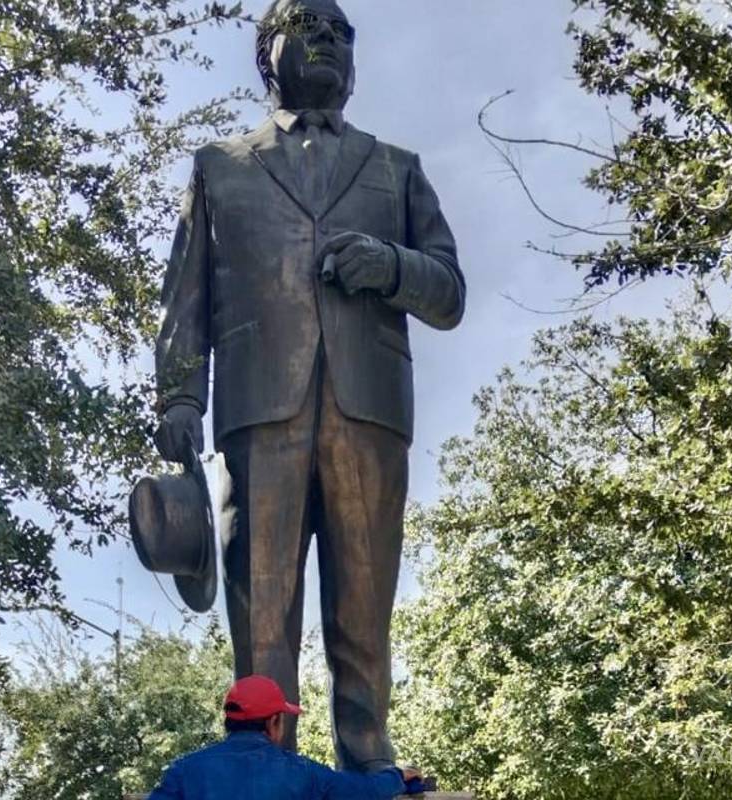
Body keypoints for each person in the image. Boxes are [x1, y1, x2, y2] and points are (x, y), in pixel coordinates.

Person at [151, 0, 465, 772]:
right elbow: (185, 295)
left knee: (364, 601)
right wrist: (179, 396)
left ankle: (367, 755)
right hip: (260, 413)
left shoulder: (398, 168)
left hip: (369, 413)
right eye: (307, 26)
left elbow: (450, 293)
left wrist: (391, 267)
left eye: (340, 31)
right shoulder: (218, 166)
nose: (326, 38)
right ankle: (263, 758)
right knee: (261, 604)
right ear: (269, 54)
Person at [146, 676, 426, 799]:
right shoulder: (301, 773)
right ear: (274, 722)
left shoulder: (183, 772)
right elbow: (362, 791)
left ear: (229, 722)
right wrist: (399, 777)